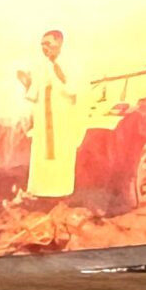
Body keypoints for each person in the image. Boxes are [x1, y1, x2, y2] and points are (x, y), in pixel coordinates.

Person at [16, 29, 85, 202]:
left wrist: (60, 75)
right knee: (42, 154)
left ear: (59, 43)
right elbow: (33, 93)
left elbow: (75, 89)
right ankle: (42, 194)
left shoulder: (71, 64)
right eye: (42, 44)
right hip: (43, 117)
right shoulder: (41, 67)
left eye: (48, 43)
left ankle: (62, 194)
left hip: (62, 117)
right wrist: (26, 83)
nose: (44, 48)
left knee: (61, 153)